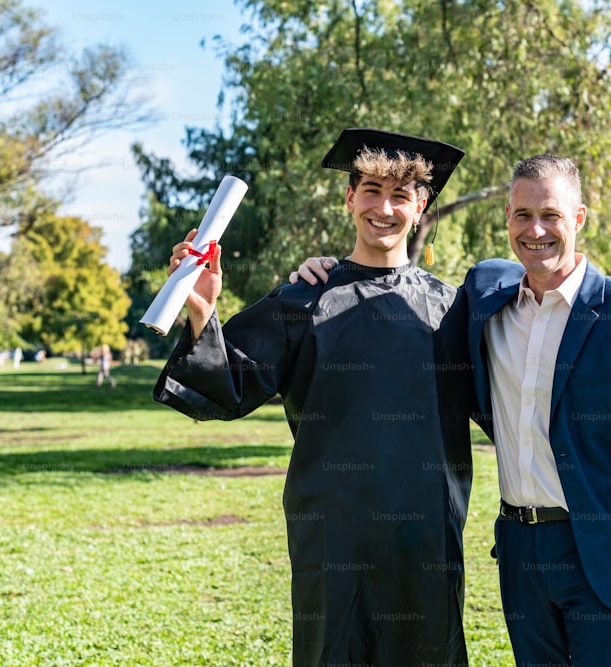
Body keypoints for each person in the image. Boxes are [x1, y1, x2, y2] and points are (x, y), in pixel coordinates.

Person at [296, 154, 611, 666]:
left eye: (551, 215)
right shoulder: (485, 296)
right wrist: (328, 272)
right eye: (522, 215)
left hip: (603, 551)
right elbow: (392, 302)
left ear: (579, 218)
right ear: (507, 217)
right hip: (520, 551)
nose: (536, 230)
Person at [153, 128, 473, 667]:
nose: (384, 207)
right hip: (333, 536)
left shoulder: (453, 311)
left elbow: (515, 399)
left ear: (421, 207)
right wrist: (203, 310)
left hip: (424, 538)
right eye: (370, 190)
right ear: (349, 198)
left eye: (400, 196)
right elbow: (228, 385)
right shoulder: (305, 298)